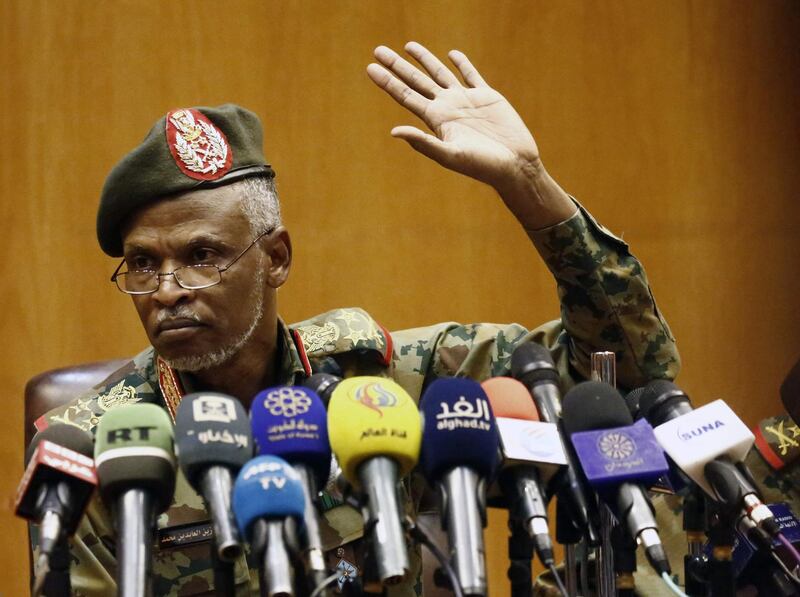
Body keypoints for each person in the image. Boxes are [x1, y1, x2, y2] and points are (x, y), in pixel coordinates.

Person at [33, 42, 679, 595]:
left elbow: (624, 370)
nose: (167, 289)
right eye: (143, 265)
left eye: (201, 255)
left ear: (276, 258)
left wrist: (530, 185)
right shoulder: (96, 449)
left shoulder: (383, 378)